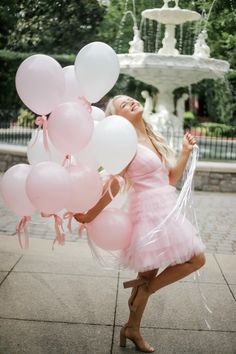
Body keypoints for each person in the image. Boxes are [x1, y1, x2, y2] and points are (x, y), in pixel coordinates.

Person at [74, 95, 206, 353]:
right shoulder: (125, 142)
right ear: (118, 118)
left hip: (165, 208)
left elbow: (169, 179)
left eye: (130, 99)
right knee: (191, 261)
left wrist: (185, 152)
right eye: (123, 104)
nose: (131, 102)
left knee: (174, 266)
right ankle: (141, 303)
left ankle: (133, 325)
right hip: (147, 212)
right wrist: (91, 215)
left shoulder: (151, 135)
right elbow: (114, 181)